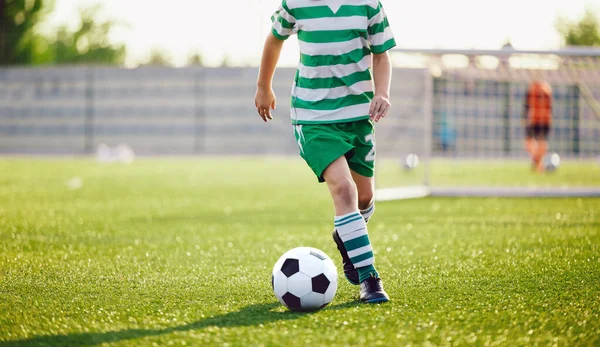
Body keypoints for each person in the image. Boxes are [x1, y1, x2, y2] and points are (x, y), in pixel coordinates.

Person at [254, 0, 395, 303]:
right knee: (344, 191)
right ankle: (369, 278)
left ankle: (345, 234)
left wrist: (382, 93)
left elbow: (382, 55)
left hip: (358, 116)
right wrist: (263, 86)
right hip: (313, 116)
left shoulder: (369, 5)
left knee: (365, 197)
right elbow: (274, 39)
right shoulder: (295, 4)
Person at [523, 73, 552, 172]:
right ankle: (538, 162)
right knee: (536, 141)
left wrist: (524, 116)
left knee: (537, 142)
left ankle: (538, 162)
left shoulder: (536, 88)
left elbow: (526, 105)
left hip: (538, 119)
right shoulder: (546, 88)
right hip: (540, 119)